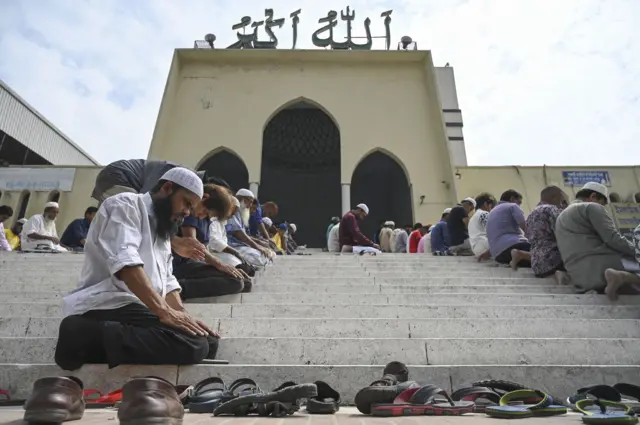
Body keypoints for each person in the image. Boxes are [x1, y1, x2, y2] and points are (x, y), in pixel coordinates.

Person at [55, 167, 219, 371]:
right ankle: (80, 335)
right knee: (195, 345)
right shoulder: (125, 205)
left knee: (208, 341)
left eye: (191, 208)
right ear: (167, 188)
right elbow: (126, 264)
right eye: (186, 202)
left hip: (141, 307)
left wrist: (183, 316)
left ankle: (103, 340)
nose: (187, 212)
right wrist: (164, 312)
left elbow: (167, 282)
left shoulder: (163, 228)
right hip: (109, 304)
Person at [556, 182, 638, 296]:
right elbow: (613, 239)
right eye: (602, 204)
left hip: (581, 278)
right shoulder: (592, 207)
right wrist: (637, 251)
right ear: (593, 196)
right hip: (602, 270)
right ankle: (620, 276)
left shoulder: (561, 216)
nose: (603, 207)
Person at [172, 184, 251, 299]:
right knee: (236, 283)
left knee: (243, 281)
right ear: (204, 198)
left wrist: (223, 267)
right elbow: (193, 245)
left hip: (192, 263)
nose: (202, 216)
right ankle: (178, 288)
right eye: (205, 211)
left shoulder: (203, 217)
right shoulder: (190, 212)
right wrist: (220, 265)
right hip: (180, 265)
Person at [525, 186, 570, 282]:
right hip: (554, 260)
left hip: (537, 265)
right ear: (554, 197)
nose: (562, 204)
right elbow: (564, 236)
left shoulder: (531, 214)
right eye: (562, 201)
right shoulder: (552, 210)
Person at [207, 197, 256, 276]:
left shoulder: (222, 223)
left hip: (224, 253)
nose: (232, 215)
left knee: (250, 269)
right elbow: (214, 241)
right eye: (231, 212)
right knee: (244, 269)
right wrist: (234, 252)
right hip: (214, 254)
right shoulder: (214, 222)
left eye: (234, 213)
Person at [226, 189, 273, 268]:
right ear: (242, 199)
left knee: (267, 254)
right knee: (258, 258)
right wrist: (258, 246)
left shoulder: (240, 213)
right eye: (249, 202)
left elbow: (244, 235)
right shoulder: (232, 211)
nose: (250, 205)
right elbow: (238, 233)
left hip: (241, 245)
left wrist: (259, 244)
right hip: (231, 246)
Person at [487, 190, 531, 270]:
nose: (519, 205)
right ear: (512, 199)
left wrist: (487, 253)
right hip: (514, 246)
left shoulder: (492, 211)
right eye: (519, 202)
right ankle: (520, 254)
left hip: (499, 256)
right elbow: (526, 227)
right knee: (545, 255)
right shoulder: (512, 206)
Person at [468, 193, 495, 261]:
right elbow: (492, 230)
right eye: (491, 206)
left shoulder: (473, 217)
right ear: (486, 204)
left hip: (477, 249)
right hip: (485, 247)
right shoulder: (484, 214)